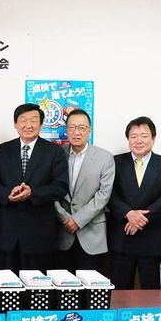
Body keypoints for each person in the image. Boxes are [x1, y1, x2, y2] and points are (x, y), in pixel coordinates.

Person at [0, 103, 69, 272]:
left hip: (40, 234)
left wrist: (33, 193)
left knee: (37, 285)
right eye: (23, 120)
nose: (28, 125)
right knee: (7, 283)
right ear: (15, 124)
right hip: (7, 233)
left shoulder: (54, 151)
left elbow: (60, 186)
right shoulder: (3, 150)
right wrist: (8, 194)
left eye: (33, 120)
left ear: (41, 124)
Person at [108, 116, 161, 289]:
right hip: (122, 235)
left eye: (144, 136)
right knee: (119, 291)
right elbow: (109, 194)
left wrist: (140, 218)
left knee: (154, 291)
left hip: (154, 237)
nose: (139, 140)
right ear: (128, 139)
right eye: (133, 136)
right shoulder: (115, 162)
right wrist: (128, 213)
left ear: (153, 138)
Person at [54, 109, 115, 274]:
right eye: (72, 127)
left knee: (91, 285)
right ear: (66, 130)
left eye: (82, 128)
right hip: (62, 232)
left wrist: (78, 220)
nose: (77, 132)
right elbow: (51, 191)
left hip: (91, 234)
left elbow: (103, 195)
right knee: (62, 284)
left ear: (89, 130)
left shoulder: (105, 158)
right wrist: (64, 217)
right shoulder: (57, 154)